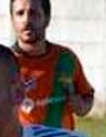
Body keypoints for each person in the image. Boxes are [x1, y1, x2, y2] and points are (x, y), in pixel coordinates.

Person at [11, 0, 94, 129]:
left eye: (34, 14)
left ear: (47, 19)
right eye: (20, 13)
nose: (26, 20)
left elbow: (87, 97)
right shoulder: (4, 62)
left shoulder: (66, 59)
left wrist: (81, 106)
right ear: (12, 20)